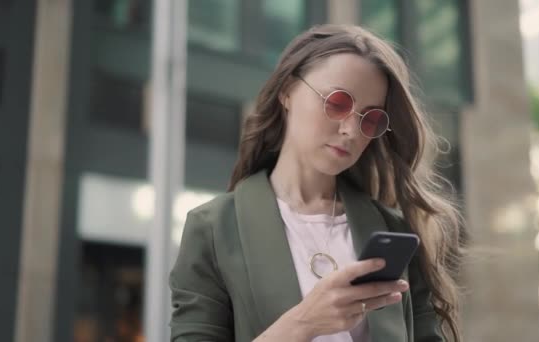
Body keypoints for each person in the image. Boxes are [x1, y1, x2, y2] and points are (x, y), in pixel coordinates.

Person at [169, 24, 463, 342]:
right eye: (338, 103)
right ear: (287, 91)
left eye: (371, 119)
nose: (351, 130)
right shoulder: (213, 229)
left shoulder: (395, 231)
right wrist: (304, 323)